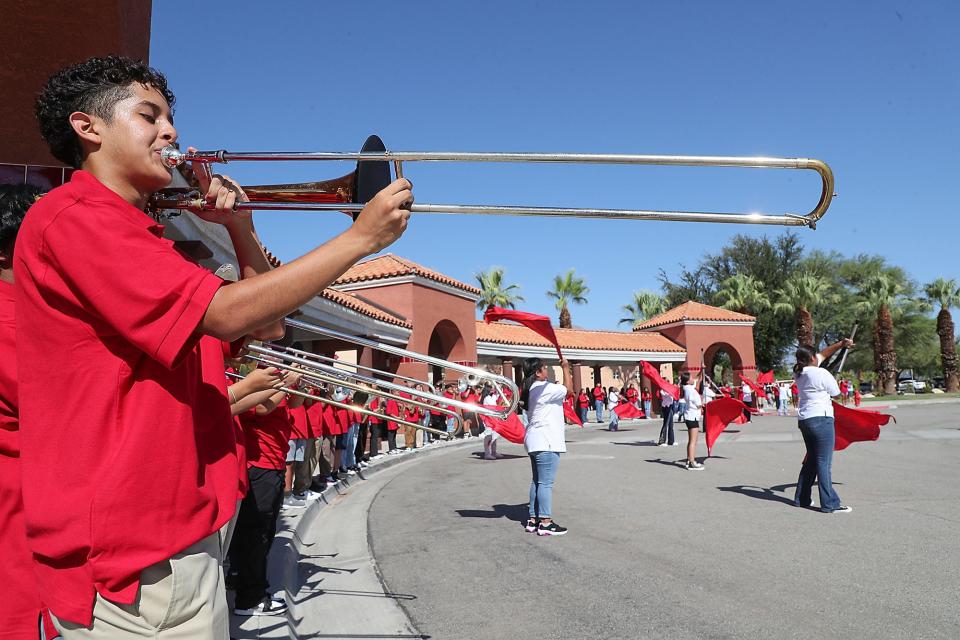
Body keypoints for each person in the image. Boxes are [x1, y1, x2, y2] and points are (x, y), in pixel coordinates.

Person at [19, 56, 411, 635]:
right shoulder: (75, 218)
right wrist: (359, 238)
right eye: (149, 115)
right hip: (132, 552)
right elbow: (228, 315)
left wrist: (241, 227)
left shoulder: (140, 233)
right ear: (89, 128)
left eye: (171, 118)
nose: (171, 132)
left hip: (180, 528)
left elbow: (265, 327)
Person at [792, 340, 855, 513]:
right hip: (822, 419)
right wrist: (833, 381)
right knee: (823, 463)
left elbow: (824, 354)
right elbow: (836, 393)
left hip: (805, 420)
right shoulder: (822, 373)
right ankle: (830, 503)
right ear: (812, 357)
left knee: (812, 460)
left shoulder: (799, 372)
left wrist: (841, 344)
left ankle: (802, 498)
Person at [521, 357, 574, 536]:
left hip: (534, 439)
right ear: (537, 372)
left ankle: (533, 519)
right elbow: (570, 391)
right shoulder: (546, 388)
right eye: (544, 368)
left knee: (537, 481)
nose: (547, 371)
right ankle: (545, 522)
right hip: (546, 440)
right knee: (545, 483)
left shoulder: (529, 390)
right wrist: (566, 368)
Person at [680, 373, 705, 470]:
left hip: (689, 416)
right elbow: (698, 404)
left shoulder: (686, 388)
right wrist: (702, 405)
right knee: (693, 441)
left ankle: (689, 460)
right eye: (691, 377)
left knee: (691, 441)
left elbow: (698, 379)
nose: (693, 378)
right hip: (692, 416)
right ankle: (691, 462)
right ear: (687, 380)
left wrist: (701, 369)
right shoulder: (691, 390)